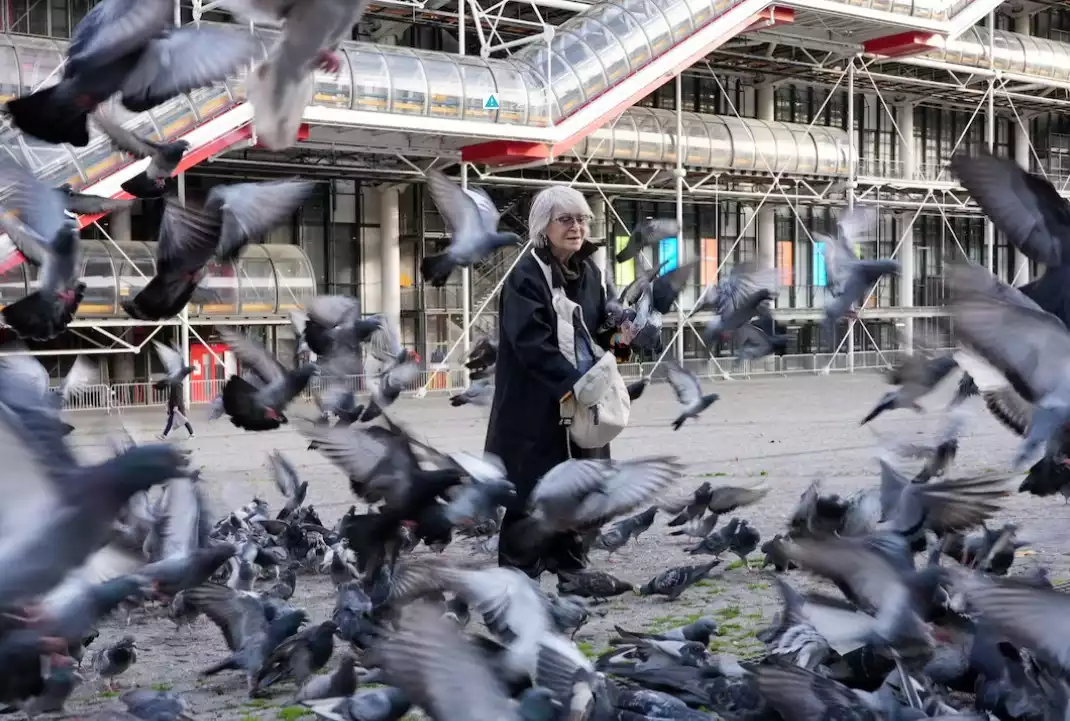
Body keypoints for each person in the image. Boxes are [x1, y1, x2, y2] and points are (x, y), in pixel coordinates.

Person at [485, 185, 624, 579]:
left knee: (578, 489)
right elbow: (531, 344)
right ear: (543, 227)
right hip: (534, 405)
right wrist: (575, 385)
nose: (576, 227)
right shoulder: (525, 276)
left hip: (581, 400)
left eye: (581, 219)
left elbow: (599, 335)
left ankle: (569, 567)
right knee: (529, 492)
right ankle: (517, 572)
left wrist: (624, 337)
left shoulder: (591, 272)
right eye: (565, 220)